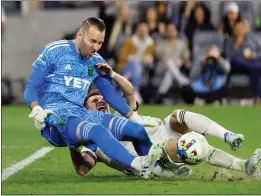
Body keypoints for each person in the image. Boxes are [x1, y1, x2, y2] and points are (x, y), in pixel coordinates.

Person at [24, 17, 167, 179]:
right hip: (55, 116)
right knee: (98, 130)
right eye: (92, 41)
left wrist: (135, 118)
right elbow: (31, 86)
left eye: (100, 43)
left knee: (137, 131)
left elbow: (110, 95)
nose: (96, 47)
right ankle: (139, 166)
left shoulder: (96, 61)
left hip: (79, 113)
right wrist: (36, 108)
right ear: (79, 35)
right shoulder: (55, 50)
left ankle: (159, 169)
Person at [77, 63, 260, 178]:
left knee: (178, 115)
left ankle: (228, 136)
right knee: (192, 144)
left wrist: (113, 75)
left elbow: (131, 92)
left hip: (160, 130)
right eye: (94, 101)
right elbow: (83, 168)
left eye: (103, 99)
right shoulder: (91, 139)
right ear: (86, 110)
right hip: (147, 155)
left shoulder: (119, 116)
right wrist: (69, 141)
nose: (101, 101)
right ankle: (242, 166)